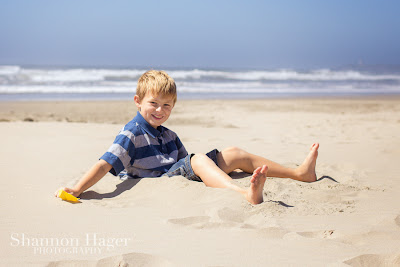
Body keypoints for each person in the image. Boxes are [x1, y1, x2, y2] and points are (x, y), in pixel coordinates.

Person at [55, 70, 319, 205]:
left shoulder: (169, 135)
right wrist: (78, 188)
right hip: (162, 177)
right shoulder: (131, 133)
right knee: (200, 161)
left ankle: (299, 174)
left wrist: (203, 165)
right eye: (154, 103)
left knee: (235, 152)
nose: (160, 110)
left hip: (178, 171)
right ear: (138, 102)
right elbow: (105, 163)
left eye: (167, 105)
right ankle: (244, 194)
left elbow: (187, 163)